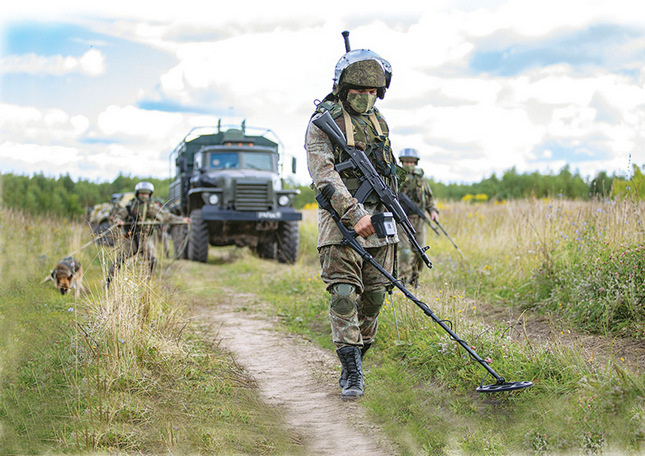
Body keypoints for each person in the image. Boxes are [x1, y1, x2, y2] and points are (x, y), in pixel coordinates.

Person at [305, 43, 399, 400]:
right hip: (340, 225)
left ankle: (358, 356)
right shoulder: (322, 123)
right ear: (344, 89)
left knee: (375, 297)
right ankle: (352, 372)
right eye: (358, 91)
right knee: (344, 295)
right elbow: (324, 176)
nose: (365, 97)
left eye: (372, 92)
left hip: (381, 222)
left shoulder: (379, 122)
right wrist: (355, 214)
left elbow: (387, 173)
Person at [106, 182, 189, 287]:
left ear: (150, 195)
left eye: (146, 194)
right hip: (131, 238)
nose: (144, 196)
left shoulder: (152, 207)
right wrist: (118, 221)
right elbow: (119, 215)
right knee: (120, 259)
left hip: (146, 238)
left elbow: (166, 216)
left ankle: (149, 282)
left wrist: (182, 220)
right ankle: (108, 282)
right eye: (142, 194)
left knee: (153, 259)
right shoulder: (130, 206)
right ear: (137, 194)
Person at [397, 148, 439, 287]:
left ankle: (414, 278)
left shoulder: (421, 179)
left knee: (420, 252)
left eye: (411, 162)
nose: (409, 164)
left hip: (419, 220)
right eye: (406, 161)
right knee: (404, 251)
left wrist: (433, 211)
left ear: (416, 162)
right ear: (402, 162)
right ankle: (402, 279)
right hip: (402, 219)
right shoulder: (396, 177)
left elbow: (429, 198)